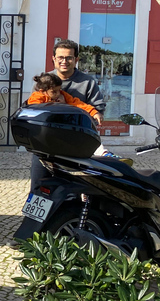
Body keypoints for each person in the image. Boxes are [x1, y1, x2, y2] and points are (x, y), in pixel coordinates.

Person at [29, 39, 108, 191]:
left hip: (74, 147)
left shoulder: (87, 82)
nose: (64, 61)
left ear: (76, 59)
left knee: (72, 191)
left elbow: (98, 111)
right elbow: (33, 110)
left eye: (69, 57)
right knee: (39, 188)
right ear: (53, 58)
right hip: (44, 146)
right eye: (60, 57)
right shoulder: (44, 81)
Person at [28, 73, 128, 162]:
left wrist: (93, 112)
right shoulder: (36, 97)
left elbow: (77, 103)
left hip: (64, 127)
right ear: (43, 91)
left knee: (87, 137)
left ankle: (105, 154)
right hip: (48, 133)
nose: (58, 93)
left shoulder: (63, 95)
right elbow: (35, 111)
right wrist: (54, 105)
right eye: (54, 92)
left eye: (59, 90)